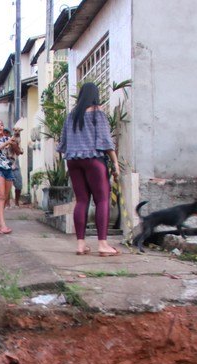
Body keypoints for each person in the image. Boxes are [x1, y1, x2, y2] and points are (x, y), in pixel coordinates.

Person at [57, 82, 121, 256]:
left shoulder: (71, 115)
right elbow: (106, 141)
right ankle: (102, 244)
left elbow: (62, 144)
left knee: (82, 201)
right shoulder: (97, 114)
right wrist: (115, 163)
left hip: (73, 161)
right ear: (95, 95)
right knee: (102, 200)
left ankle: (80, 245)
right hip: (93, 160)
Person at [5, 128, 24, 207]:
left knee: (19, 184)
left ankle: (16, 202)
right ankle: (7, 203)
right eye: (4, 134)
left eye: (7, 133)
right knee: (7, 185)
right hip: (5, 163)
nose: (5, 135)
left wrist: (14, 145)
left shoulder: (15, 140)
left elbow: (19, 152)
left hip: (15, 162)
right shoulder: (0, 142)